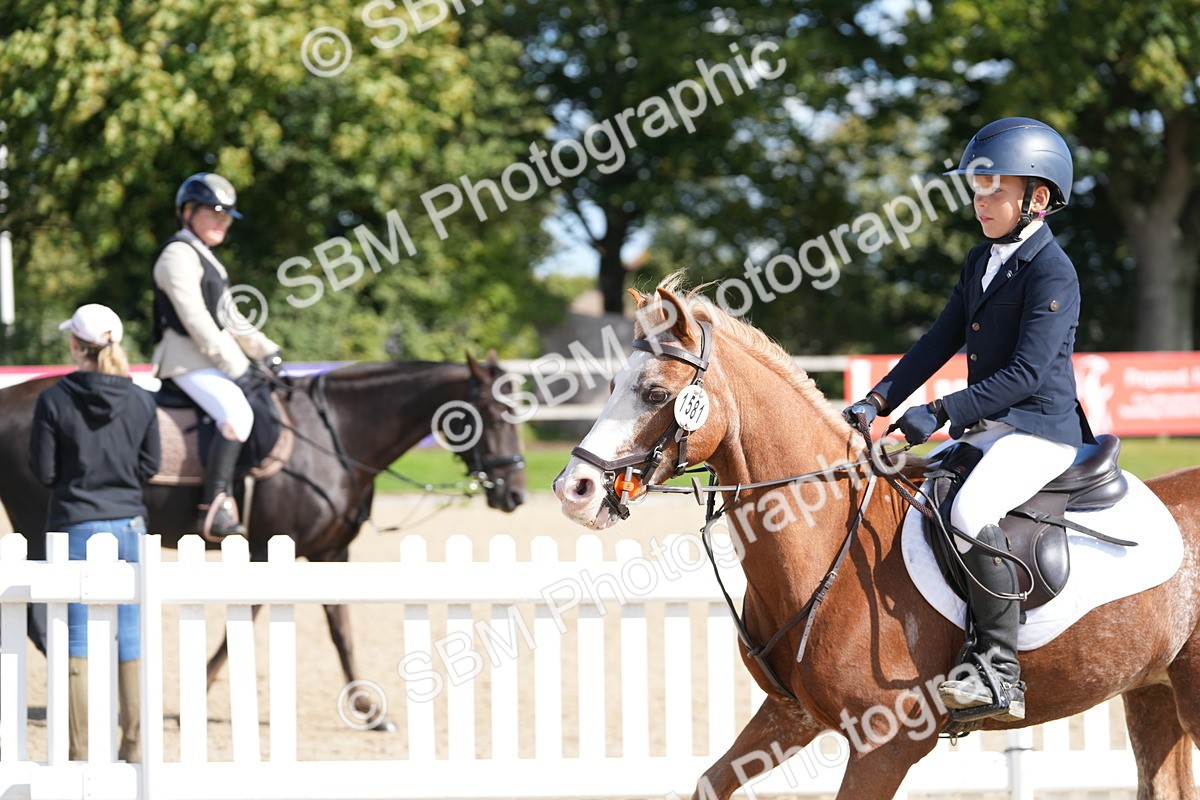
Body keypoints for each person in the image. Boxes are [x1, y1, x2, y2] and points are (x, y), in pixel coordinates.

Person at [842, 117, 1094, 722]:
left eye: (994, 189)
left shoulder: (1053, 270)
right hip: (992, 429)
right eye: (977, 188)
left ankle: (998, 668)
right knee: (911, 495)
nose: (981, 201)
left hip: (1040, 431)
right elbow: (937, 342)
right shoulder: (981, 259)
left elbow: (1027, 374)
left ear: (1037, 198)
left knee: (970, 511)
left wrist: (939, 412)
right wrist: (878, 400)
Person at [29, 304, 161, 762]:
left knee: (78, 640)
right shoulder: (142, 399)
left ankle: (80, 752)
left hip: (76, 523)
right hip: (129, 523)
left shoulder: (54, 400)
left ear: (75, 345)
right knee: (132, 637)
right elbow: (151, 465)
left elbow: (45, 472)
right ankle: (133, 746)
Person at [152, 172, 283, 538]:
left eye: (226, 216)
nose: (222, 221)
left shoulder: (206, 257)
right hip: (185, 360)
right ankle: (214, 507)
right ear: (187, 212)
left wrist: (267, 351)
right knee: (236, 413)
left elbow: (232, 318)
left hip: (208, 358)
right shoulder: (177, 255)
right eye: (213, 213)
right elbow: (196, 320)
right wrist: (237, 367)